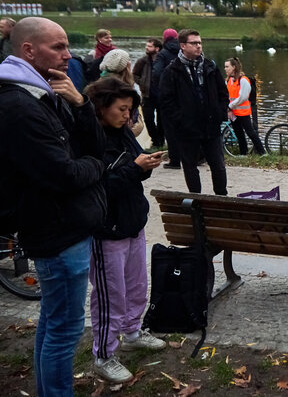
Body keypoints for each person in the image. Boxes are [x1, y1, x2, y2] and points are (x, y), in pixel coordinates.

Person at [0, 17, 106, 396]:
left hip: (64, 225)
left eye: (67, 46)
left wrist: (82, 103)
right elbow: (67, 172)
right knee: (64, 329)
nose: (68, 55)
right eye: (58, 47)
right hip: (57, 233)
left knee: (53, 322)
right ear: (28, 50)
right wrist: (97, 168)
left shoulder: (46, 93)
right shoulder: (18, 105)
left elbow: (93, 144)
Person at [84, 78, 166, 383]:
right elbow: (99, 187)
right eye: (121, 109)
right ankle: (103, 354)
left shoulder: (123, 134)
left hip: (133, 223)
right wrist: (135, 168)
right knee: (110, 295)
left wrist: (144, 166)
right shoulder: (90, 141)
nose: (127, 116)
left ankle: (132, 331)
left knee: (135, 285)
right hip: (108, 230)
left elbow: (133, 174)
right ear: (101, 108)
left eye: (130, 109)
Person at [159, 29, 229, 195]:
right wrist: (180, 120)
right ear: (183, 45)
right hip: (187, 128)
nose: (198, 46)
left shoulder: (210, 66)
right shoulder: (172, 71)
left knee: (218, 165)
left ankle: (221, 197)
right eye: (194, 43)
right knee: (190, 166)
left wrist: (219, 113)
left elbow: (223, 92)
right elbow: (166, 100)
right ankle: (196, 198)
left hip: (211, 125)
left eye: (200, 43)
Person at [224, 56, 266, 155]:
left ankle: (262, 152)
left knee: (250, 132)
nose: (225, 69)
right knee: (239, 134)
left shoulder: (243, 80)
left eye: (227, 67)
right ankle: (243, 153)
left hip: (243, 112)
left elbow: (242, 97)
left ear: (234, 67)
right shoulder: (228, 81)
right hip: (233, 112)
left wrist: (230, 106)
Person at [153, 28, 182, 168]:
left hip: (169, 96)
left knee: (170, 129)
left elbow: (157, 72)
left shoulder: (163, 54)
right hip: (184, 95)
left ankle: (175, 160)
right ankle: (197, 156)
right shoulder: (183, 52)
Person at [100, 49, 144, 137]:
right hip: (121, 139)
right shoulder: (123, 91)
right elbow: (133, 123)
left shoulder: (99, 86)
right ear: (126, 67)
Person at [133, 38, 164, 147]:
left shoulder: (162, 60)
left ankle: (161, 141)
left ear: (157, 48)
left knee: (162, 121)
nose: (147, 48)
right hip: (147, 95)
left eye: (149, 46)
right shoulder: (142, 61)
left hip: (161, 95)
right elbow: (135, 74)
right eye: (146, 46)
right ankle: (155, 141)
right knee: (148, 119)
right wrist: (142, 82)